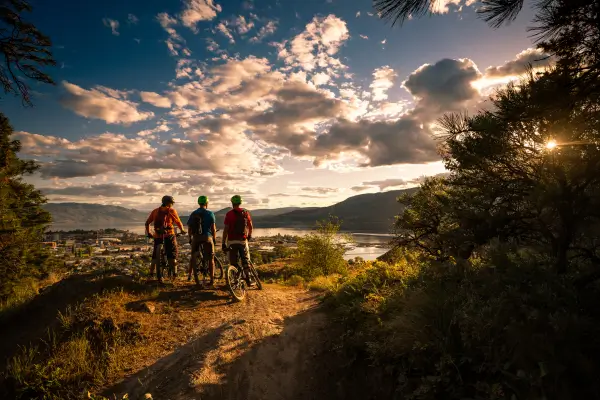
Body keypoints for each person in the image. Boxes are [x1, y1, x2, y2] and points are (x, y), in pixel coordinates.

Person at [145, 195, 186, 283]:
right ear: (169, 203)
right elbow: (178, 222)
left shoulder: (155, 211)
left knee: (155, 257)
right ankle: (174, 275)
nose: (172, 205)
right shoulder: (172, 211)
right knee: (173, 255)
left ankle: (151, 275)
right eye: (172, 203)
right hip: (169, 235)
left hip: (158, 236)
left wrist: (149, 233)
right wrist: (182, 230)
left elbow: (147, 223)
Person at [186, 195, 217, 287]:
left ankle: (189, 275)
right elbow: (213, 229)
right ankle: (212, 279)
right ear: (206, 203)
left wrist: (190, 238)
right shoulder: (210, 213)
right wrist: (214, 239)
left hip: (196, 237)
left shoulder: (193, 213)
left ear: (199, 203)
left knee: (193, 256)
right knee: (211, 258)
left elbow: (190, 228)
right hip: (207, 237)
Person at [222, 195, 253, 282]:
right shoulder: (245, 213)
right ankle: (248, 277)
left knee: (233, 261)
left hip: (231, 241)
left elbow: (225, 230)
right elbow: (250, 226)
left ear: (232, 203)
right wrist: (249, 235)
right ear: (240, 203)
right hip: (242, 240)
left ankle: (235, 278)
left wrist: (223, 243)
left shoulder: (229, 214)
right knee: (246, 258)